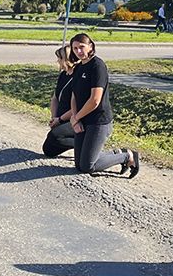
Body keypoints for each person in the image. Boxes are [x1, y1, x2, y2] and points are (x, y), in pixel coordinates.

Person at [68, 33, 138, 177]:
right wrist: (75, 118)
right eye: (75, 48)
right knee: (79, 165)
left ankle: (127, 156)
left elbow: (95, 100)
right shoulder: (78, 68)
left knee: (87, 166)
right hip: (82, 119)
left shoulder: (97, 66)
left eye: (82, 47)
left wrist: (76, 117)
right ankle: (116, 153)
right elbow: (74, 95)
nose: (79, 51)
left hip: (98, 121)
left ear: (90, 46)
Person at [43, 45, 78, 157]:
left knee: (55, 136)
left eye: (59, 58)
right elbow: (55, 98)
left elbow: (77, 106)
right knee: (48, 150)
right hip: (60, 118)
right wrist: (54, 117)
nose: (57, 61)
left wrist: (60, 119)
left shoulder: (77, 77)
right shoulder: (63, 75)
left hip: (73, 118)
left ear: (66, 59)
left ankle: (86, 145)